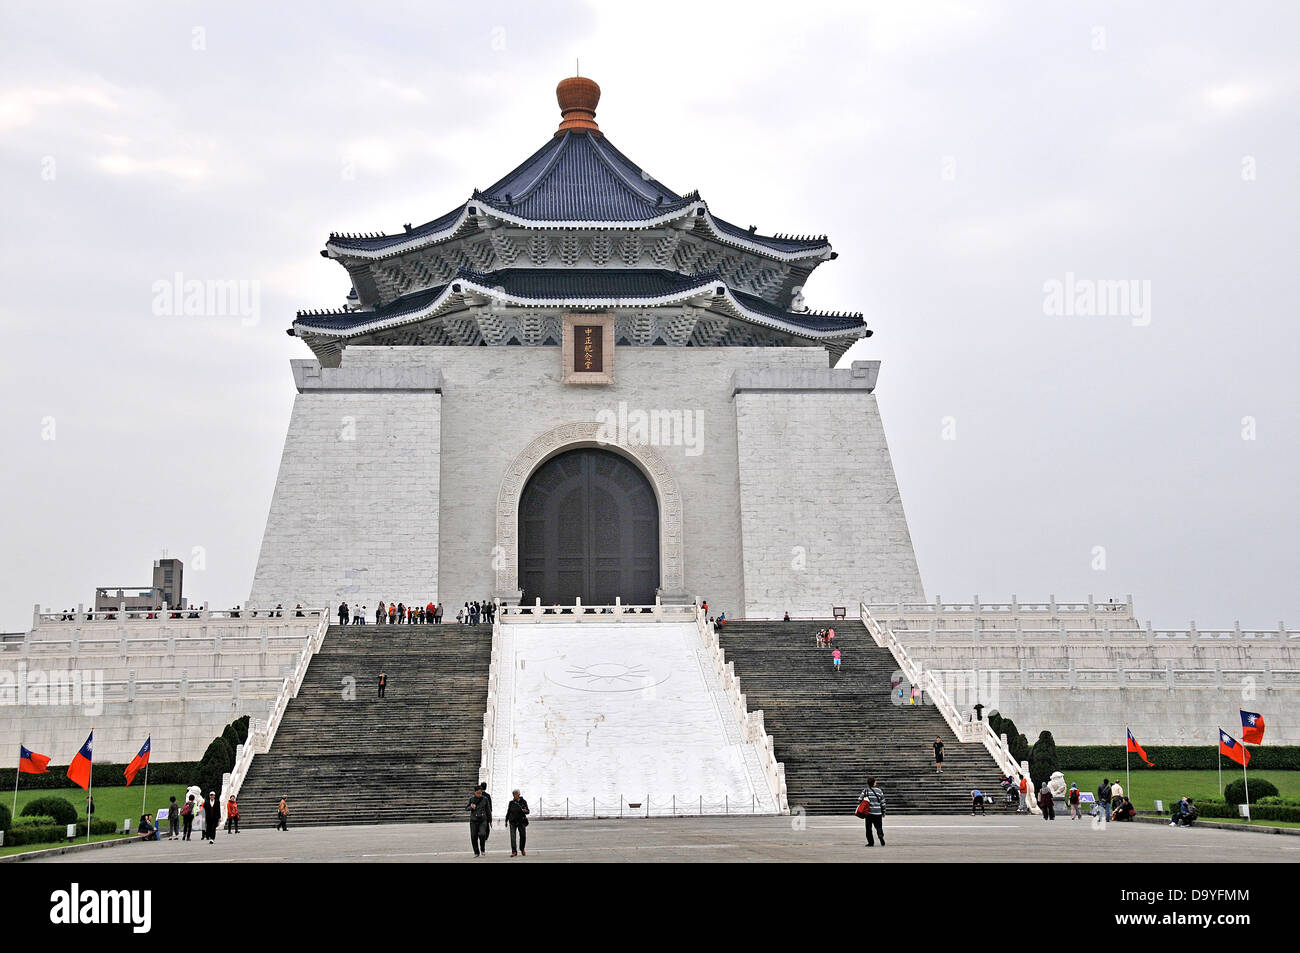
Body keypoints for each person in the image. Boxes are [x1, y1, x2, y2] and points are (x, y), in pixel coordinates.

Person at [859, 776, 886, 846]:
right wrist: (883, 811)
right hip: (878, 813)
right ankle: (880, 835)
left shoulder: (865, 791)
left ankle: (871, 842)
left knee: (868, 828)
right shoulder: (879, 791)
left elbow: (859, 799)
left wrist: (866, 801)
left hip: (869, 813)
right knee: (879, 826)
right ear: (874, 783)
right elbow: (883, 802)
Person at [467, 782, 492, 857]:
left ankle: (483, 849)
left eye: (480, 793)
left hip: (482, 820)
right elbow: (466, 808)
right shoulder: (471, 799)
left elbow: (488, 810)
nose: (479, 794)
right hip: (473, 820)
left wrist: (490, 820)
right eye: (478, 793)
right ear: (475, 792)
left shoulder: (485, 799)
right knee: (473, 836)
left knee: (482, 834)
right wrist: (471, 807)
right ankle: (476, 852)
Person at [505, 788, 530, 857]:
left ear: (519, 794)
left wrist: (525, 811)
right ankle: (514, 851)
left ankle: (522, 849)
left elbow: (528, 811)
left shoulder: (523, 802)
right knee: (512, 837)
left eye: (516, 794)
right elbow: (508, 812)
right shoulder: (511, 803)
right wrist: (506, 820)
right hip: (513, 821)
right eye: (513, 794)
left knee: (523, 836)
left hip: (521, 821)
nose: (514, 795)